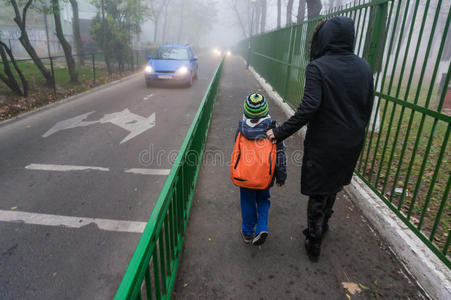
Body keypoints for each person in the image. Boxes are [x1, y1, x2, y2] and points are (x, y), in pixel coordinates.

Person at [266, 16, 374, 261]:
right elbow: (367, 105)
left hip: (325, 142)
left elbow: (309, 108)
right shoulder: (364, 67)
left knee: (318, 190)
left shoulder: (318, 67)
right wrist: (356, 129)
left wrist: (280, 132)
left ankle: (313, 242)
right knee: (334, 184)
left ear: (325, 38)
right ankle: (323, 226)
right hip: (352, 141)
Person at [235, 93, 287, 246]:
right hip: (265, 176)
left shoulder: (241, 129)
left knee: (247, 202)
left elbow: (237, 153)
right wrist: (281, 177)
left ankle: (248, 231)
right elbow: (280, 155)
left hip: (244, 177)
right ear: (266, 112)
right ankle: (262, 227)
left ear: (245, 112)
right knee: (263, 199)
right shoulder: (273, 131)